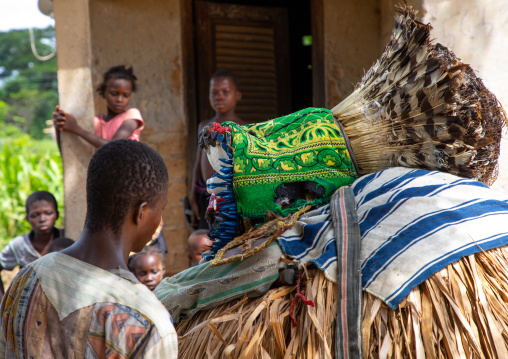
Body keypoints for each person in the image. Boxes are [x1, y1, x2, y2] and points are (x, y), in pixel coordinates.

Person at [0, 140, 178, 358]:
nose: (160, 219)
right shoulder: (148, 320)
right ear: (141, 212)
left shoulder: (27, 278)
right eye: (161, 208)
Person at [189, 70, 248, 229]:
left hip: (229, 197)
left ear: (238, 95)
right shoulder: (204, 126)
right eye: (214, 92)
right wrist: (193, 196)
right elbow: (197, 165)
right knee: (206, 239)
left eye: (226, 92)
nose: (219, 96)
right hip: (204, 195)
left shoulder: (242, 128)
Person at [53, 65, 144, 149]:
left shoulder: (132, 115)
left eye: (126, 95)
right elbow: (65, 149)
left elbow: (114, 147)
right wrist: (60, 124)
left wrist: (75, 128)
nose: (119, 99)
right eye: (114, 94)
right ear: (104, 92)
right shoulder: (96, 122)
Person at [0, 190, 63, 299]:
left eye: (48, 213)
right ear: (28, 218)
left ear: (57, 215)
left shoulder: (65, 241)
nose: (42, 219)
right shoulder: (19, 245)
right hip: (29, 307)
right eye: (35, 215)